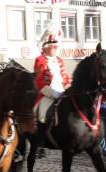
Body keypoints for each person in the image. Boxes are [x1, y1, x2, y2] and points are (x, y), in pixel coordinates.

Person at [33, 22, 71, 158]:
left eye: (56, 44)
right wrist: (54, 93)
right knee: (43, 114)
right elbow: (39, 82)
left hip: (62, 93)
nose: (56, 46)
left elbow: (66, 78)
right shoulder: (40, 60)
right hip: (47, 94)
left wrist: (69, 88)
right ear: (46, 46)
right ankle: (40, 143)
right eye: (53, 44)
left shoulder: (60, 60)